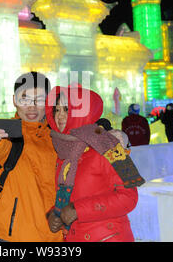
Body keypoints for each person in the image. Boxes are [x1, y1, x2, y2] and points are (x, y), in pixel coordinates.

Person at [45, 84, 144, 242]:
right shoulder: (62, 150)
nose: (60, 116)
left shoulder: (110, 143)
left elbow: (130, 197)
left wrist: (78, 210)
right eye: (56, 110)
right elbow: (70, 195)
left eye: (66, 110)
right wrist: (54, 214)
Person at [0, 71, 63, 242]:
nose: (32, 107)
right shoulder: (5, 134)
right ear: (14, 101)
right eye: (24, 99)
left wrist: (115, 134)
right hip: (15, 236)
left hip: (57, 236)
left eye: (39, 99)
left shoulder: (59, 134)